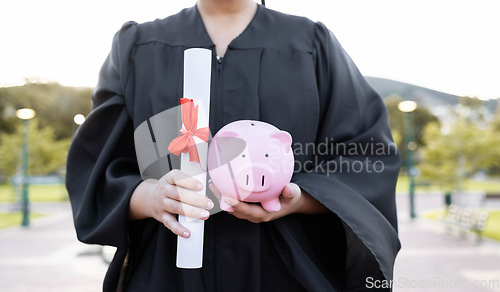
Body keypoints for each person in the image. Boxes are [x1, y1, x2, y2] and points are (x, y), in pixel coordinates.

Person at [66, 0, 401, 291]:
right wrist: (150, 197)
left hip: (287, 269)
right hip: (168, 268)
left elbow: (366, 153)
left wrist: (299, 198)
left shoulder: (311, 44)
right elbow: (98, 162)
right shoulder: (138, 46)